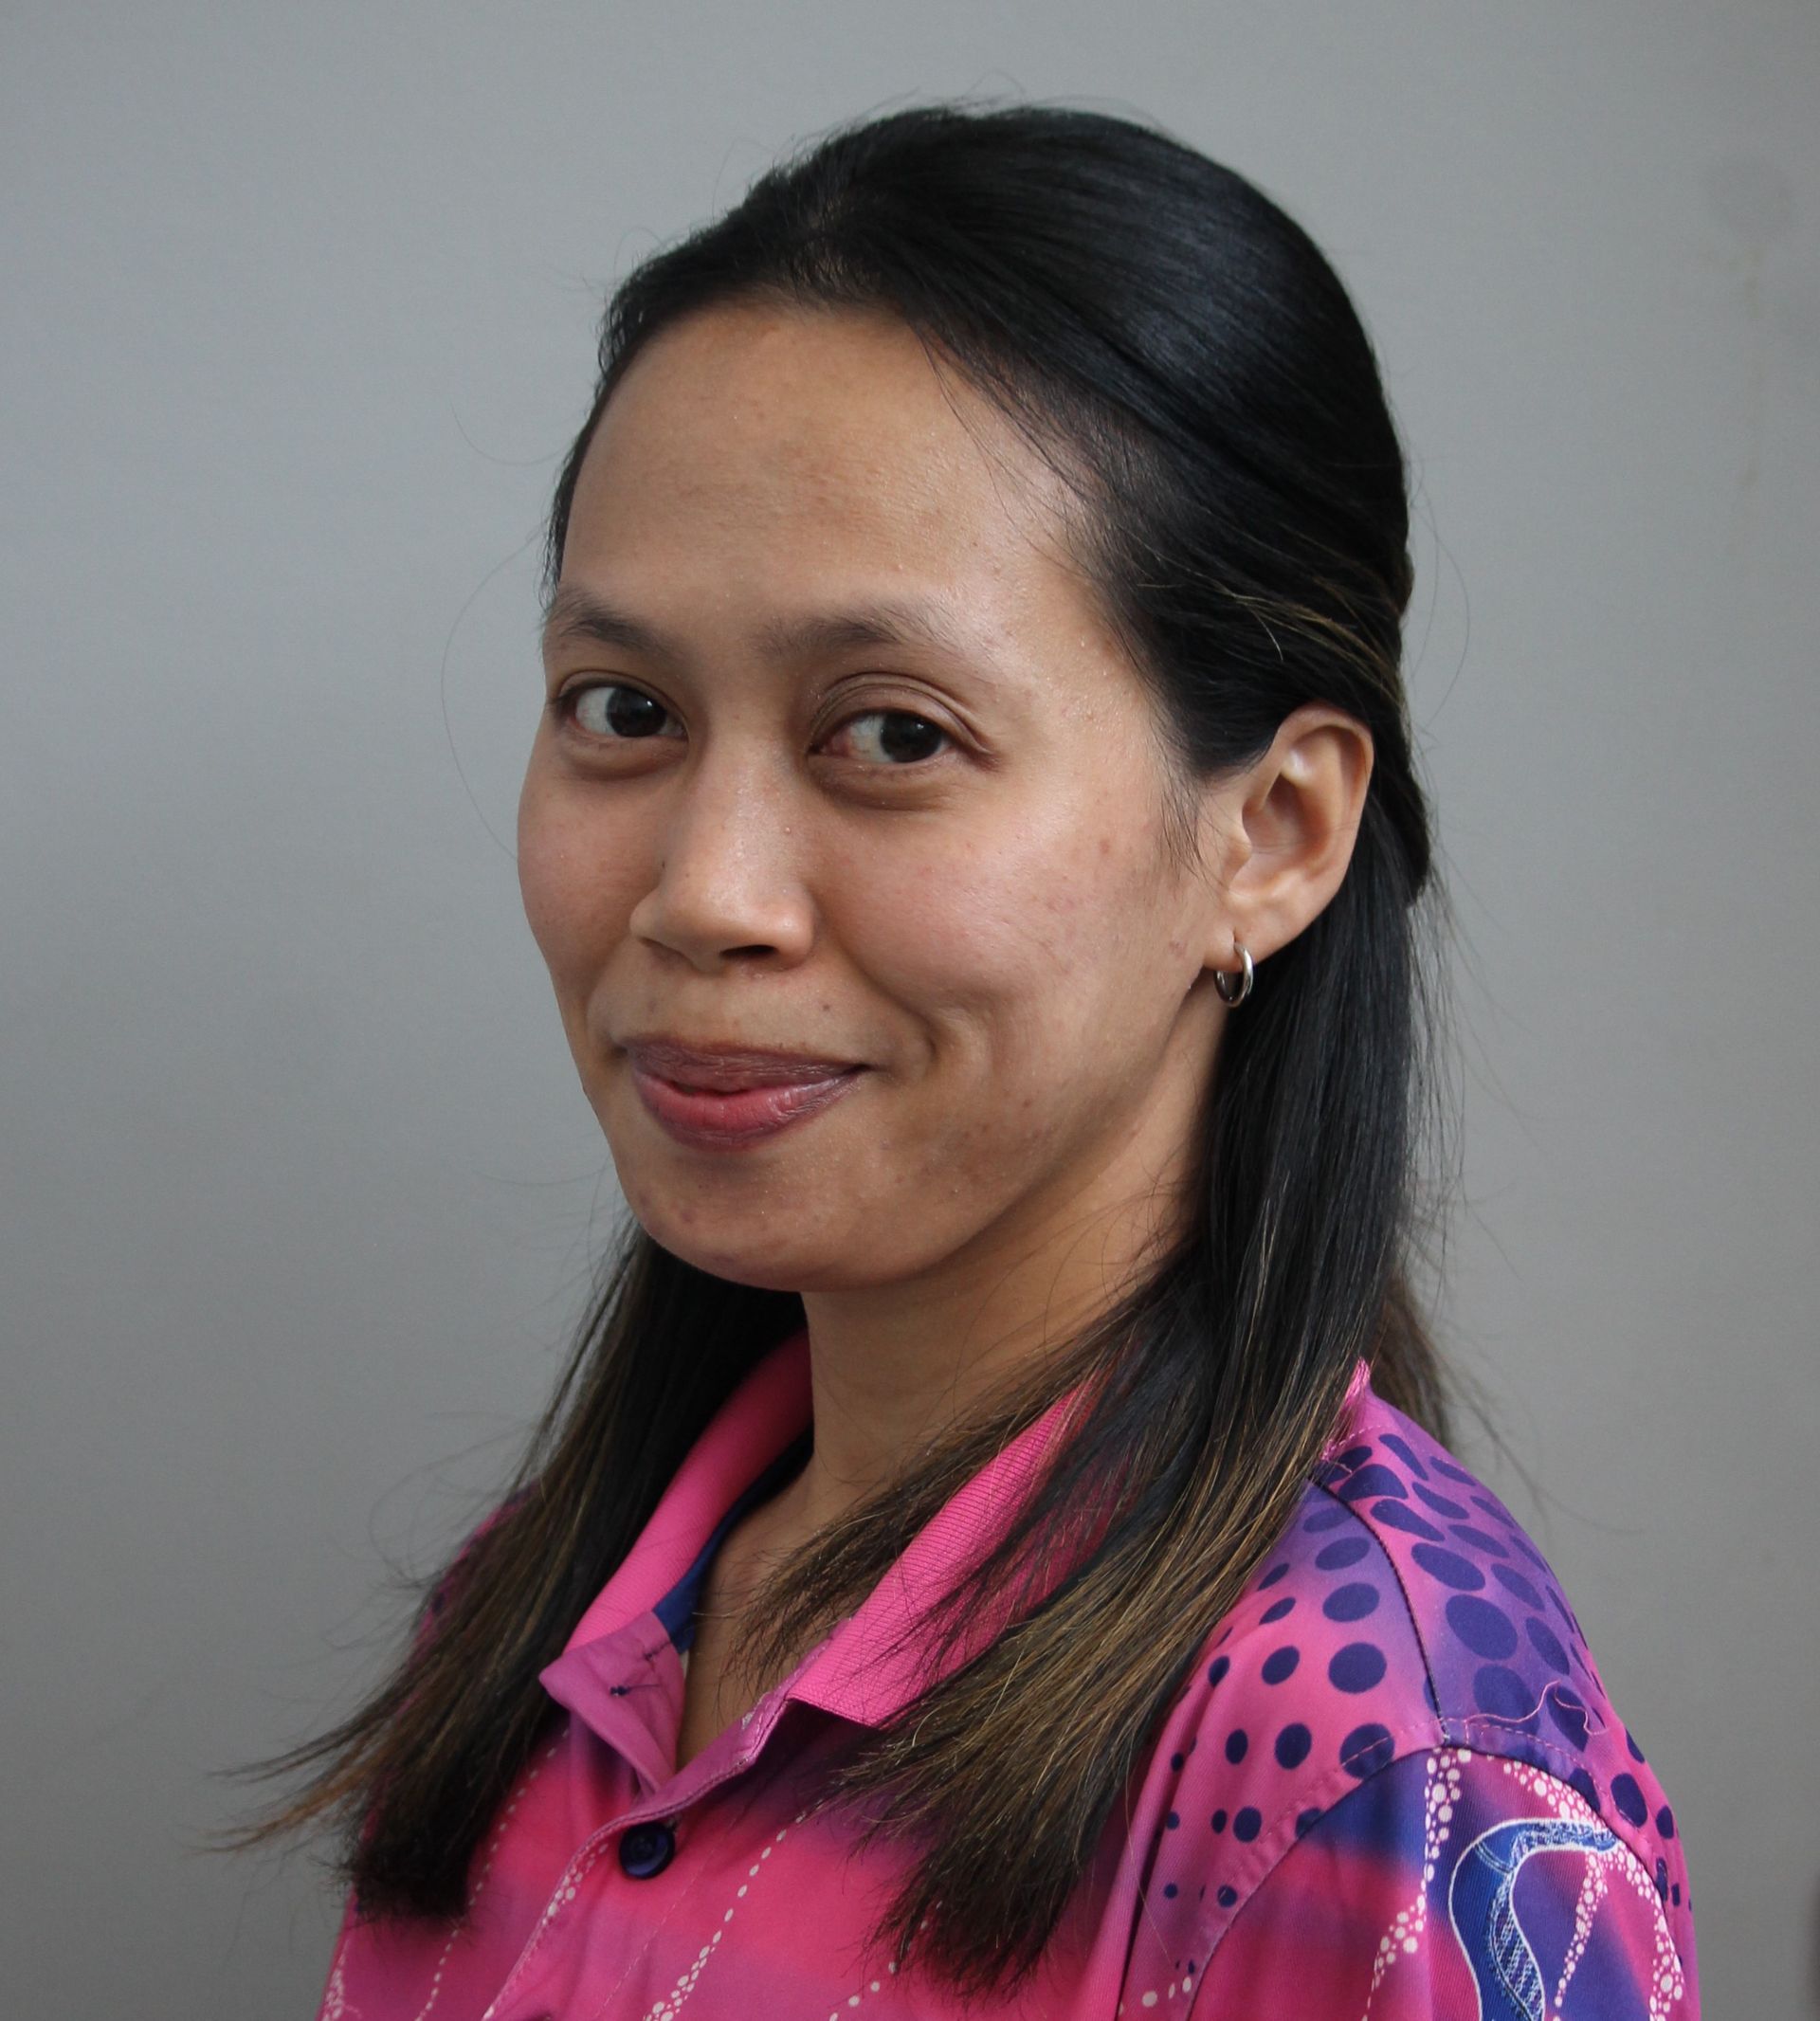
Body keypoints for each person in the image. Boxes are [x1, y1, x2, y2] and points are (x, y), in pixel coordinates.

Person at [232, 100, 1700, 2017]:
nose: (704, 892)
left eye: (896, 733)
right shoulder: (532, 1631)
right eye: (623, 709)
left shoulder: (1380, 1770)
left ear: (1269, 833)